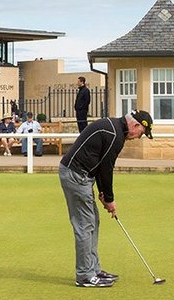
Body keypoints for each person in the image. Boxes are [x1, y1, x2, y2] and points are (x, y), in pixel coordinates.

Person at [59, 110, 153, 287]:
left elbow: (102, 165)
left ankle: (93, 269)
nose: (137, 138)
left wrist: (103, 193)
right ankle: (85, 275)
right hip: (75, 175)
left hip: (82, 176)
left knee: (92, 221)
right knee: (85, 225)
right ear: (135, 125)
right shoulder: (115, 135)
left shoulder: (114, 129)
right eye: (141, 134)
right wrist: (109, 199)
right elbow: (106, 169)